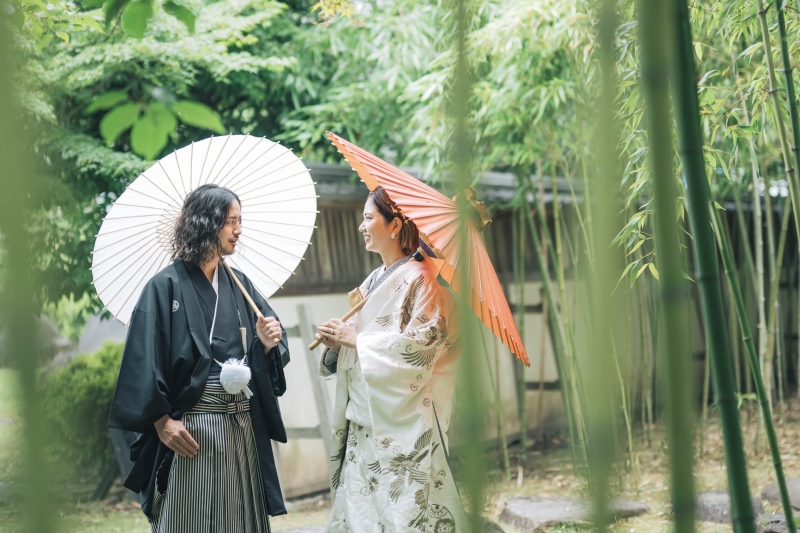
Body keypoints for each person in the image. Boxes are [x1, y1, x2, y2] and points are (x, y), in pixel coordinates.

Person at [108, 184, 290, 533]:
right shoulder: (164, 287)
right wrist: (162, 421)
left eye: (240, 221)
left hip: (240, 425)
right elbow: (142, 362)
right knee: (190, 519)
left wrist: (266, 344)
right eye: (231, 221)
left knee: (241, 520)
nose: (239, 230)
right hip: (192, 426)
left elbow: (263, 357)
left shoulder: (241, 285)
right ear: (207, 223)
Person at [315, 186, 467, 533]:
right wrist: (339, 344)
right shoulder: (373, 280)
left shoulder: (423, 279)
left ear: (395, 224)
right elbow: (360, 343)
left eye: (368, 218)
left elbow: (423, 347)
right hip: (364, 419)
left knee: (402, 515)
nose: (361, 226)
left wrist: (357, 339)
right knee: (361, 514)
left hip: (400, 423)